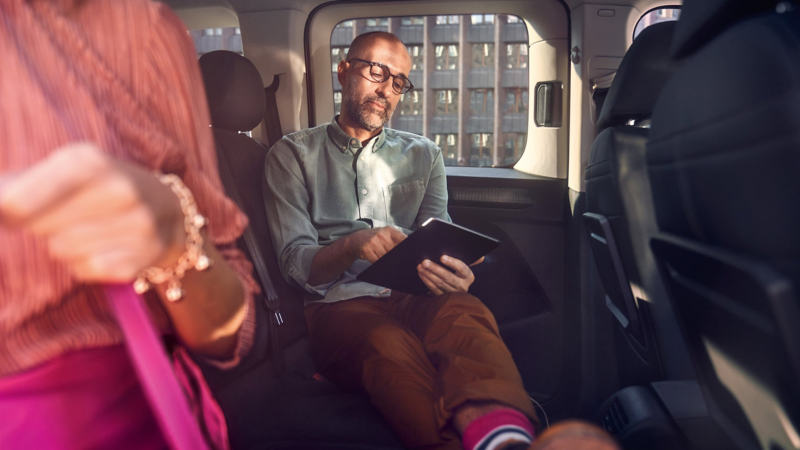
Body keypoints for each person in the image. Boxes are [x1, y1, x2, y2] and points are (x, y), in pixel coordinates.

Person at [265, 30, 568, 450]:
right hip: (338, 304)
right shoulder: (292, 154)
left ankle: (503, 437)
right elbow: (295, 262)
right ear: (343, 70)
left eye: (399, 82)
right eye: (377, 72)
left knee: (466, 312)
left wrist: (452, 272)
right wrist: (353, 245)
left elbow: (437, 233)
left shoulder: (425, 154)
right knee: (386, 344)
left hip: (415, 292)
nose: (387, 89)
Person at [0, 0, 258, 448]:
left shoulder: (142, 31)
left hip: (119, 415)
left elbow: (233, 329)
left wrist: (175, 239)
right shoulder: (297, 157)